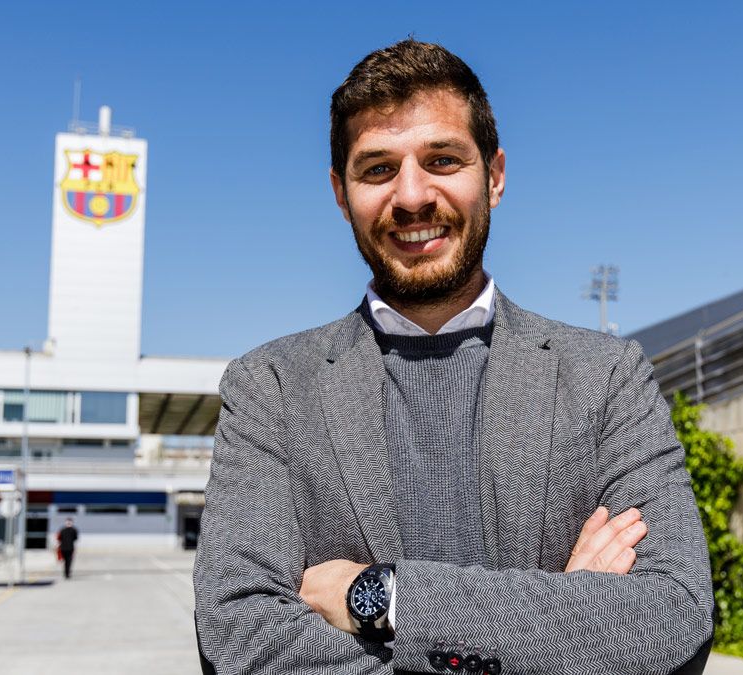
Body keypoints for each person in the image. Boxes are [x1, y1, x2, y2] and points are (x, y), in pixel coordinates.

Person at [193, 40, 714, 675]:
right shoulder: (271, 388)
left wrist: (384, 597)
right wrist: (563, 627)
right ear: (339, 192)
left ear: (493, 175)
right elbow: (236, 638)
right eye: (378, 169)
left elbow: (672, 618)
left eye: (442, 160)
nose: (412, 196)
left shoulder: (606, 378)